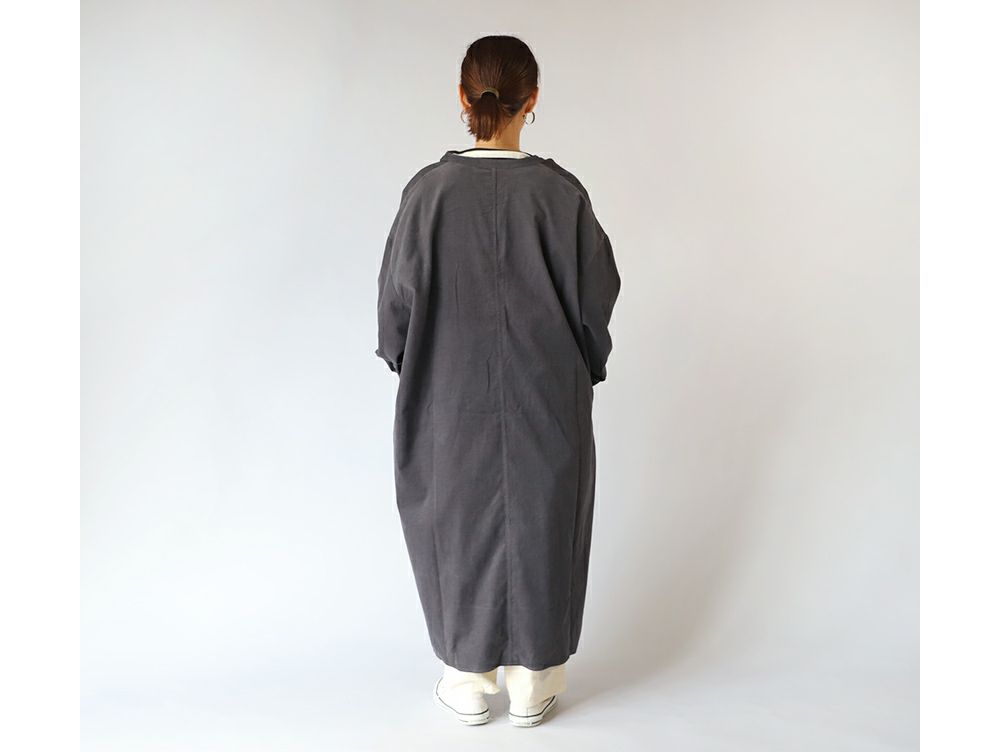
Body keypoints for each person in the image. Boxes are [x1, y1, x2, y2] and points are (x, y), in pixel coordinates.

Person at [375, 35, 620, 727]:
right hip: (546, 396)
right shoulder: (561, 195)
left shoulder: (427, 194)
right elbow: (595, 302)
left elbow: (395, 309)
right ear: (531, 99)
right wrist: (582, 368)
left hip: (448, 398)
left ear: (463, 96)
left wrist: (411, 363)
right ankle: (535, 681)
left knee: (453, 523)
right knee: (544, 520)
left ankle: (466, 679)